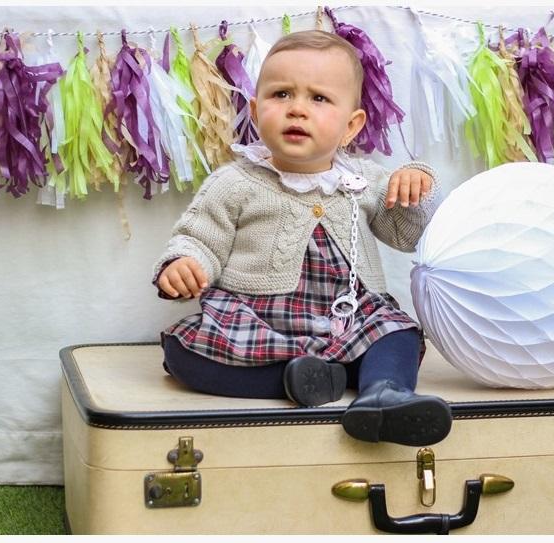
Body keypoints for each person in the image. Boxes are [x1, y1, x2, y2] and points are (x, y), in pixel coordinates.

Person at [151, 30, 451, 446]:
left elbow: (405, 235)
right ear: (255, 110)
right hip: (259, 319)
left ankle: (385, 393)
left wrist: (416, 184)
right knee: (181, 355)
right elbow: (201, 237)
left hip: (350, 319)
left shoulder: (364, 181)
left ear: (351, 126)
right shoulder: (234, 182)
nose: (297, 109)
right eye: (281, 95)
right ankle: (298, 380)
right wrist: (184, 264)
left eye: (319, 98)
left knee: (397, 334)